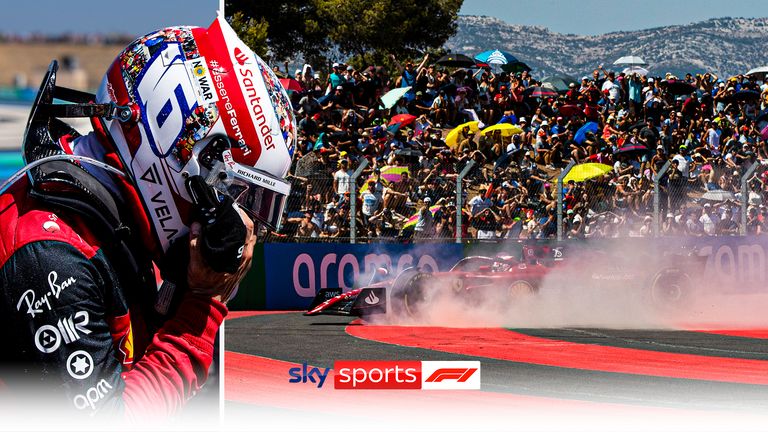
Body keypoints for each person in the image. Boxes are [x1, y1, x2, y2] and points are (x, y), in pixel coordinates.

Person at [0, 16, 295, 418]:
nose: (242, 224)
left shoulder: (111, 217)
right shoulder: (49, 252)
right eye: (236, 195)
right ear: (178, 156)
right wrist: (202, 304)